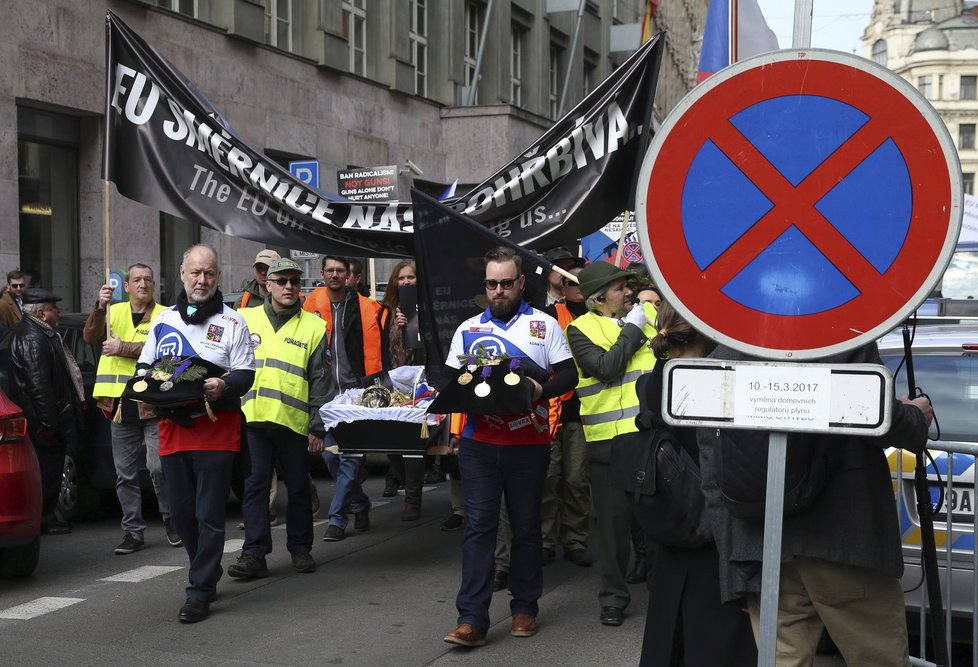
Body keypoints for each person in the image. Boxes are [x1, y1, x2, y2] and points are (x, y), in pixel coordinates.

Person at [698, 344, 933, 666]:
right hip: (841, 541)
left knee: (781, 661)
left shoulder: (726, 351)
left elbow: (712, 468)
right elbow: (882, 419)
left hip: (760, 547)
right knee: (878, 659)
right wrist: (916, 416)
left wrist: (734, 568)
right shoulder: (841, 339)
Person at [442, 246, 577, 647]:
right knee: (478, 530)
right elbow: (449, 382)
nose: (498, 290)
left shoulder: (543, 325)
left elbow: (569, 376)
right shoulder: (468, 329)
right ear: (485, 284)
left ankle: (524, 608)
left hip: (528, 444)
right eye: (491, 283)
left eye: (505, 283)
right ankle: (471, 619)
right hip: (479, 444)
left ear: (520, 283)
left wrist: (540, 389)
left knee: (526, 530)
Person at [139, 244, 255, 623]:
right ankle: (204, 567)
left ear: (217, 276)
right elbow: (144, 371)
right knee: (183, 515)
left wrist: (224, 387)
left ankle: (199, 590)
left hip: (217, 430)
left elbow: (245, 374)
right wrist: (145, 388)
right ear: (182, 274)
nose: (201, 280)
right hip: (174, 429)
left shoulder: (233, 322)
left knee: (208, 513)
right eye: (195, 273)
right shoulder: (163, 321)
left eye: (209, 273)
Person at [638, 300, 757, 667]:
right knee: (718, 639)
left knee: (672, 632)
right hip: (720, 531)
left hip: (675, 525)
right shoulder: (720, 383)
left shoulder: (654, 382)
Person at [564, 261, 657, 627]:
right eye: (620, 288)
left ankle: (665, 590)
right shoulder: (579, 329)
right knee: (612, 528)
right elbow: (606, 367)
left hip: (650, 438)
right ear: (599, 298)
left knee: (658, 520)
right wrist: (633, 331)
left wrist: (647, 314)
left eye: (628, 287)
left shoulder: (648, 313)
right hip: (608, 444)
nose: (629, 292)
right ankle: (614, 597)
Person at [230, 258, 333, 579]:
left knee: (299, 488)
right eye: (282, 281)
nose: (289, 286)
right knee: (256, 488)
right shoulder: (245, 319)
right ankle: (254, 554)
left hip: (293, 422)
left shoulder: (314, 327)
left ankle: (301, 549)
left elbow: (321, 381)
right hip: (254, 420)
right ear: (268, 285)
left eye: (294, 281)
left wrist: (318, 428)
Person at [84, 263, 178, 554]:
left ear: (154, 285)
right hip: (119, 404)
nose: (143, 284)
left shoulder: (166, 314)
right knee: (124, 473)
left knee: (158, 467)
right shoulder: (114, 311)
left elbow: (166, 351)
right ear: (126, 286)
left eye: (148, 279)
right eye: (137, 280)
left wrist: (123, 347)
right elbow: (90, 337)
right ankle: (133, 532)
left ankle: (171, 518)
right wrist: (100, 307)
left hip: (153, 402)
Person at [303, 255, 389, 541]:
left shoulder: (367, 308)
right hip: (326, 397)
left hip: (356, 396)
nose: (336, 275)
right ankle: (359, 503)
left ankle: (337, 519)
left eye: (341, 270)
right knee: (331, 460)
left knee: (350, 457)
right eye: (330, 270)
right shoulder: (309, 307)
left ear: (349, 274)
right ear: (322, 274)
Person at [8, 288, 83, 535]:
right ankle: (45, 518)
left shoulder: (39, 333)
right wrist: (49, 423)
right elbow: (39, 384)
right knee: (48, 471)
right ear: (41, 312)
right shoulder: (32, 337)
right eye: (53, 308)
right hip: (42, 422)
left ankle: (46, 517)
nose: (58, 312)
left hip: (43, 419)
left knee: (49, 469)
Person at [380, 259, 426, 521]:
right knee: (391, 444)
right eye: (402, 278)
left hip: (419, 387)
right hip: (390, 386)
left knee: (412, 446)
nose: (406, 282)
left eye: (411, 277)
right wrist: (397, 327)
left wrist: (413, 324)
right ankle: (397, 477)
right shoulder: (386, 311)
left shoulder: (428, 309)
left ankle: (412, 500)